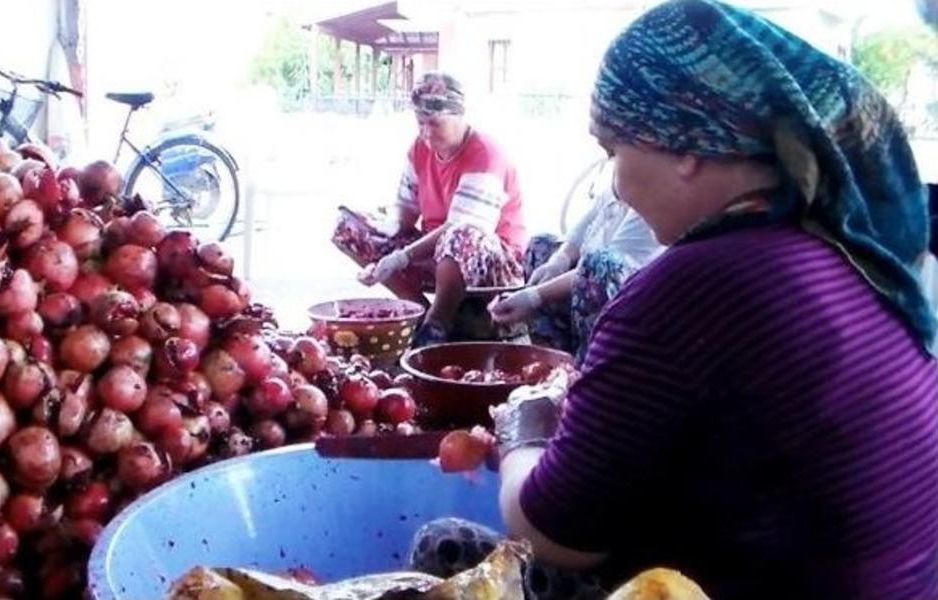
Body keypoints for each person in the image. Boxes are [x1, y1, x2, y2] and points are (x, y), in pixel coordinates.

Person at [412, 1, 938, 599]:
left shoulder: (689, 288)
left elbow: (553, 531)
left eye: (615, 151)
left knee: (444, 546)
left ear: (685, 145)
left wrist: (523, 429)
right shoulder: (849, 254)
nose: (613, 181)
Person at [331, 72, 528, 347]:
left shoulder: (485, 153)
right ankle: (418, 311)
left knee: (459, 234)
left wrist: (400, 258)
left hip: (494, 261)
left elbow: (461, 228)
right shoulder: (419, 149)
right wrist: (388, 231)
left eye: (434, 123)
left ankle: (438, 324)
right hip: (437, 253)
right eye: (420, 123)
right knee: (350, 226)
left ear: (458, 116)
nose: (425, 132)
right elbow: (406, 208)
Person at [488, 178, 664, 359]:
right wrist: (558, 262)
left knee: (599, 265)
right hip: (583, 284)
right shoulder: (614, 188)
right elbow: (578, 236)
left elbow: (602, 267)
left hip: (630, 304)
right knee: (540, 245)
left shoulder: (652, 199)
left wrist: (534, 296)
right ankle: (550, 359)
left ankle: (587, 362)